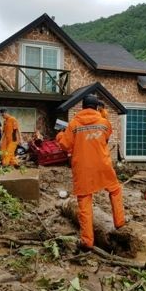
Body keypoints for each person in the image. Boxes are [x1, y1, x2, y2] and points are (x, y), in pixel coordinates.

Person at [56, 94, 126, 250]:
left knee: (85, 202)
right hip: (103, 164)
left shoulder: (73, 124)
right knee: (115, 190)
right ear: (97, 107)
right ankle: (120, 222)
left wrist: (60, 134)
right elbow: (107, 135)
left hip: (83, 168)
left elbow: (64, 146)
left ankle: (87, 241)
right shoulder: (104, 123)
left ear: (82, 107)